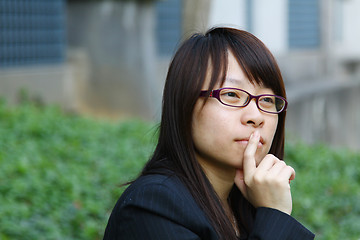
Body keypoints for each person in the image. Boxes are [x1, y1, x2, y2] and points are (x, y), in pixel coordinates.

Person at [103, 27, 315, 239]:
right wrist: (275, 217)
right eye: (231, 94)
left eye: (267, 100)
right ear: (185, 104)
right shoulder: (152, 206)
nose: (256, 116)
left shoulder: (247, 205)